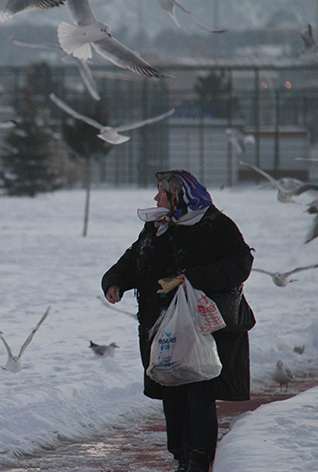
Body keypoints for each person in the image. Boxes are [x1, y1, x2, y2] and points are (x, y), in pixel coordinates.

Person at [101, 170, 254, 472]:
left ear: (179, 196)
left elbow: (240, 263)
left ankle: (198, 458)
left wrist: (194, 278)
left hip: (200, 328)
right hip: (161, 329)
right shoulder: (157, 227)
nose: (156, 198)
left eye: (161, 192)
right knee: (172, 392)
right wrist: (115, 281)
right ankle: (182, 457)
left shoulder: (214, 224)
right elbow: (133, 260)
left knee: (198, 390)